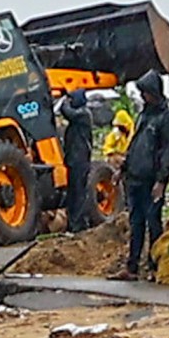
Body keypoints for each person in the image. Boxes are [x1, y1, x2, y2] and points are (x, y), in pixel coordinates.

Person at [115, 72, 169, 280]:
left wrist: (162, 181)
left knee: (153, 223)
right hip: (134, 178)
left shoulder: (168, 118)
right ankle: (132, 267)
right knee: (136, 223)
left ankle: (155, 267)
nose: (144, 97)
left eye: (147, 93)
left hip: (152, 180)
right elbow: (134, 145)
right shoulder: (144, 115)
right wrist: (123, 168)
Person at [54, 85, 106, 230]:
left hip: (80, 160)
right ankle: (74, 223)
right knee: (74, 192)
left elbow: (67, 112)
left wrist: (64, 99)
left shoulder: (83, 113)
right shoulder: (80, 115)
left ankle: (79, 224)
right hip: (75, 159)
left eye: (73, 98)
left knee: (79, 192)